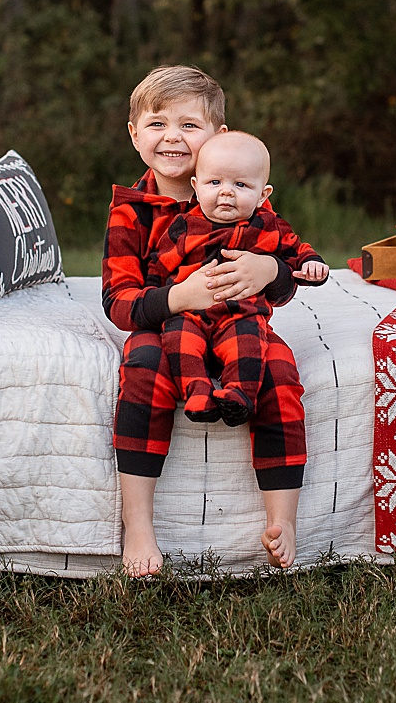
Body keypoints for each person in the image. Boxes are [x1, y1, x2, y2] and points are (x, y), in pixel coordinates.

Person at [102, 66, 306, 575]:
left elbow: (282, 280)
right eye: (157, 124)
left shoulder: (233, 188)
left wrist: (270, 269)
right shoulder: (131, 212)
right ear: (134, 134)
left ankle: (283, 520)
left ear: (218, 134)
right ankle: (139, 522)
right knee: (144, 367)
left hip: (240, 321)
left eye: (189, 125)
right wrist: (178, 297)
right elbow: (119, 303)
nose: (172, 137)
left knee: (278, 372)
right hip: (167, 324)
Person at [147, 131, 328, 427]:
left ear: (263, 195)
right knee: (179, 341)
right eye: (214, 183)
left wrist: (312, 264)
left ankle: (239, 395)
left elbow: (296, 249)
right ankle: (198, 391)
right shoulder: (184, 226)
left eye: (240, 184)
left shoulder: (268, 226)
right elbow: (159, 265)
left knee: (247, 344)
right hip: (190, 314)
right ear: (197, 186)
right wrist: (161, 295)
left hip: (240, 315)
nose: (226, 192)